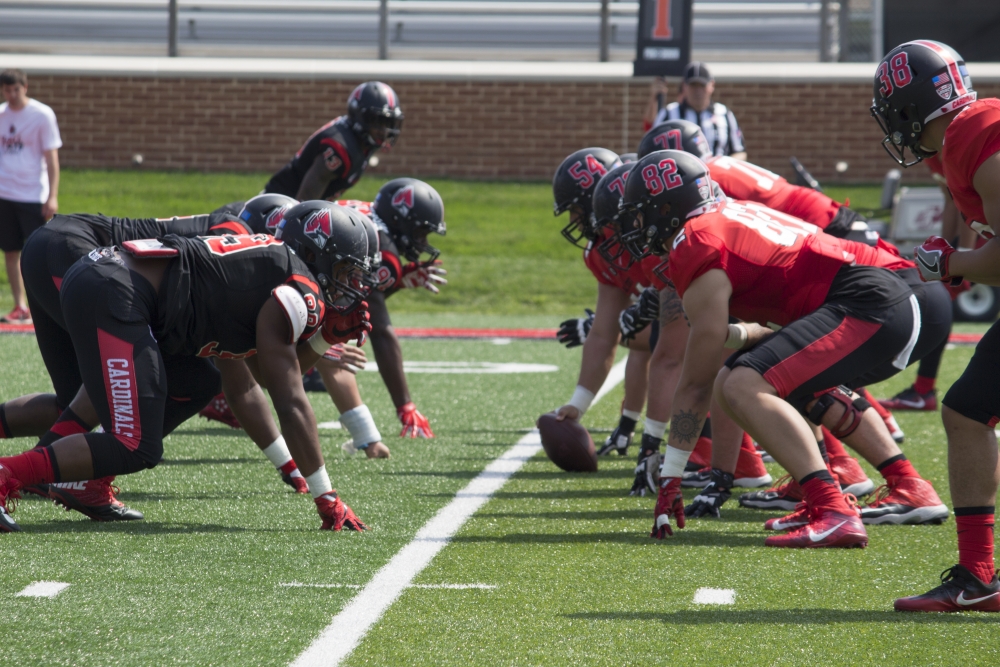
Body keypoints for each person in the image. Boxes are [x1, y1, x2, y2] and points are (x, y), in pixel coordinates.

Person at [620, 150, 942, 549]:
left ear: (666, 209)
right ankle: (874, 487)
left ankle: (833, 508)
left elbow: (694, 384)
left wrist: (670, 475)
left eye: (640, 213)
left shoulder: (696, 241)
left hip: (872, 300)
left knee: (742, 383)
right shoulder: (722, 217)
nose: (636, 226)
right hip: (877, 296)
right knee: (737, 378)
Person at [0, 202, 374, 533]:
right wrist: (327, 496)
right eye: (345, 271)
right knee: (133, 443)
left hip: (106, 280)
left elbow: (264, 375)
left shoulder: (268, 272)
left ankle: (78, 482)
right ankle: (9, 473)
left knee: (194, 384)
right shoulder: (298, 288)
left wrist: (324, 340)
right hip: (116, 291)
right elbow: (289, 400)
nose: (349, 284)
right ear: (314, 253)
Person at [870, 40, 1000, 611]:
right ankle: (977, 576)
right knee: (967, 410)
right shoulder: (968, 133)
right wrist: (962, 259)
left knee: (968, 411)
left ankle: (977, 575)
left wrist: (950, 264)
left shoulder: (975, 132)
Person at [264, 81, 402, 202]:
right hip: (277, 208)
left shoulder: (359, 140)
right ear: (359, 117)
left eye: (388, 123)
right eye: (378, 121)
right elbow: (303, 205)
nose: (383, 131)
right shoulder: (340, 148)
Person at [0, 68, 61, 324]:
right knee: (10, 251)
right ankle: (20, 306)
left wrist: (52, 195)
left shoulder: (41, 114)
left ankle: (47, 308)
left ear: (25, 88)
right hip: (4, 193)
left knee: (38, 254)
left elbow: (52, 158)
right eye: (7, 90)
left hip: (32, 193)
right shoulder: (1, 115)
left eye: (16, 89)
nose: (12, 94)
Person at [651, 62, 746, 160]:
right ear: (684, 86)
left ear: (712, 85)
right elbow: (654, 152)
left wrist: (721, 165)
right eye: (693, 85)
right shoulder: (668, 113)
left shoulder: (724, 114)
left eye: (702, 85)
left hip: (718, 169)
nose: (698, 91)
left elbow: (739, 152)